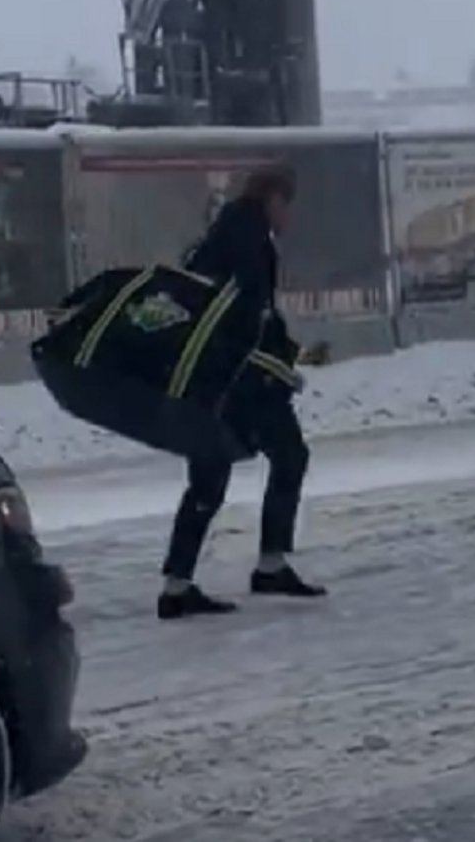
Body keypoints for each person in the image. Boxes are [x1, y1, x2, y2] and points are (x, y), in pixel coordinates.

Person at [158, 164, 328, 620]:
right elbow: (253, 313)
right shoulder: (252, 240)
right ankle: (270, 564)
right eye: (287, 204)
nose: (289, 216)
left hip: (207, 378)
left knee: (209, 474)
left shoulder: (218, 235)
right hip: (244, 380)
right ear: (273, 199)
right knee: (290, 456)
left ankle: (177, 585)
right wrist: (279, 361)